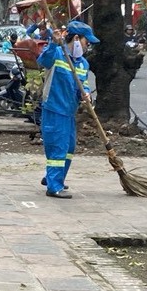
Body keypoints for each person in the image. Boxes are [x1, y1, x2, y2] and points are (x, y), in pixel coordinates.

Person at [36, 20, 99, 199]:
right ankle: (54, 186)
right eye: (88, 42)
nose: (88, 47)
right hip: (54, 110)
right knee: (58, 147)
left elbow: (83, 85)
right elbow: (43, 61)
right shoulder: (56, 53)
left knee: (69, 147)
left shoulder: (82, 64)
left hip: (69, 112)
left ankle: (54, 177)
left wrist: (85, 95)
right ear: (77, 39)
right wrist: (54, 43)